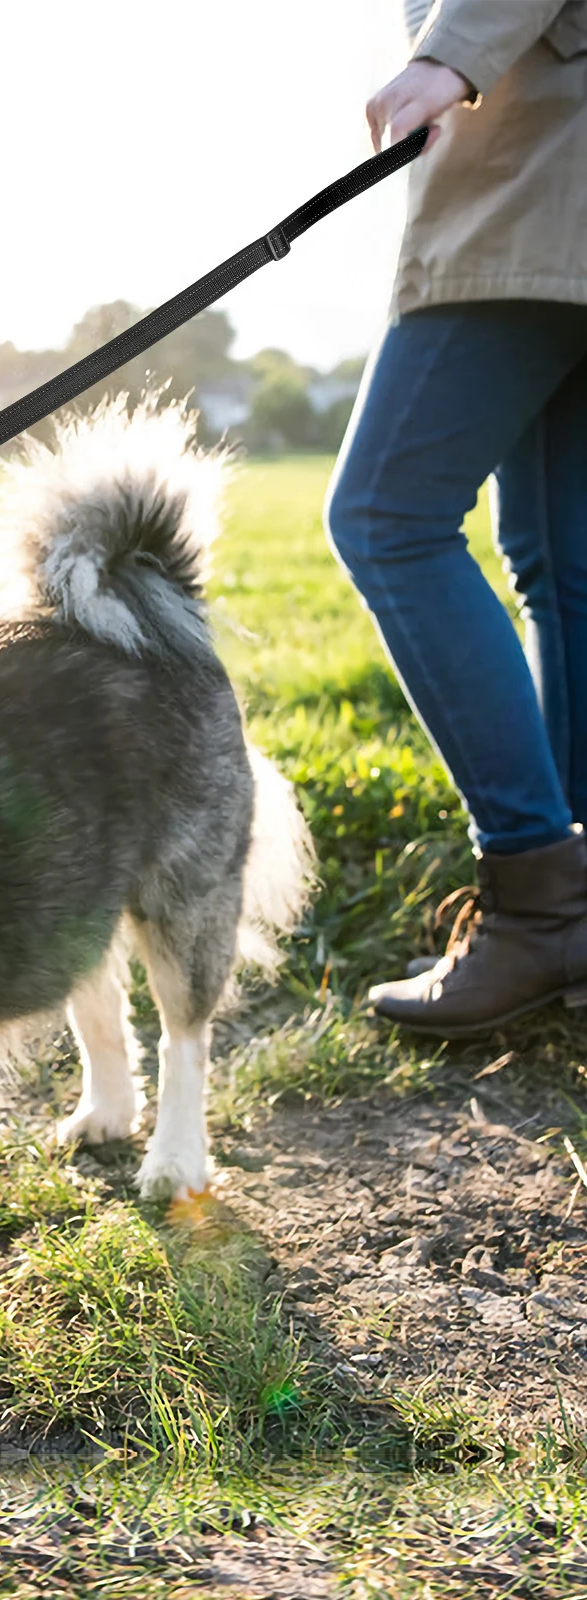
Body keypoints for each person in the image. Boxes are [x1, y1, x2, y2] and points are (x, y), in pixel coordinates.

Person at [325, 0, 587, 1036]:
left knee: (387, 516)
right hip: (556, 176)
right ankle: (571, 915)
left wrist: (450, 55)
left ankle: (538, 902)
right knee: (557, 560)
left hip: (539, 172)